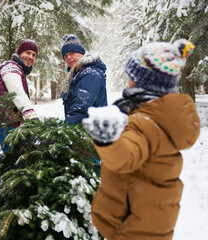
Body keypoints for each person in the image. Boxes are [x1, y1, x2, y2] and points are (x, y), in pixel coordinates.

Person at [82, 39, 200, 240]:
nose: (128, 81)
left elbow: (126, 157)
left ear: (140, 81)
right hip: (151, 221)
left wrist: (107, 140)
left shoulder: (143, 122)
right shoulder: (161, 118)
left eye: (131, 76)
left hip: (131, 224)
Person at [0, 39, 39, 151]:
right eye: (27, 53)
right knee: (17, 162)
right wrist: (31, 116)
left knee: (14, 160)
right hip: (3, 123)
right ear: (20, 53)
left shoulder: (16, 69)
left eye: (34, 55)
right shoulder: (11, 67)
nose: (31, 57)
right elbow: (16, 92)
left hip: (7, 123)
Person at [60, 34, 108, 125]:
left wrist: (66, 128)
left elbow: (81, 108)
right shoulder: (76, 74)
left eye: (72, 53)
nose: (68, 58)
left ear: (81, 53)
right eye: (65, 56)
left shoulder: (90, 73)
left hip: (92, 132)